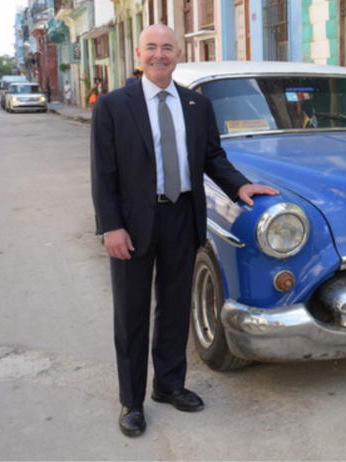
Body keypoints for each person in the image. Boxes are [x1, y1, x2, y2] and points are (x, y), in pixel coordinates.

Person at [90, 24, 278, 438]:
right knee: (132, 313)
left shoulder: (196, 104)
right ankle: (131, 401)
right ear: (138, 54)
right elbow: (103, 175)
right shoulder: (112, 106)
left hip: (181, 217)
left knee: (175, 307)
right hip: (134, 224)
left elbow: (213, 156)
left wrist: (240, 185)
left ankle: (169, 384)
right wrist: (111, 228)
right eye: (152, 48)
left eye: (168, 48)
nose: (160, 55)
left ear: (178, 54)